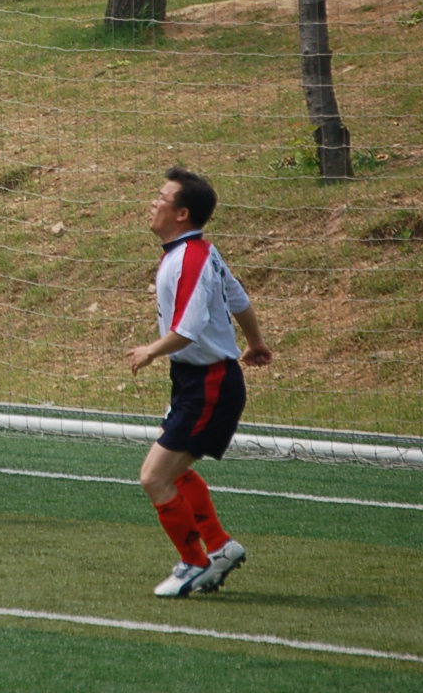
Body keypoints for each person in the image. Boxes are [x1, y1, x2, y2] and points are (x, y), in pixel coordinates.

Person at [127, 166, 273, 598]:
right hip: (197, 380)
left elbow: (187, 331)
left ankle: (194, 563)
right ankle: (220, 546)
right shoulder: (199, 252)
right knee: (174, 473)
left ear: (182, 213)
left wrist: (151, 350)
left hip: (209, 384)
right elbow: (239, 300)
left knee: (155, 478)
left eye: (161, 197)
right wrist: (256, 343)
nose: (153, 203)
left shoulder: (189, 259)